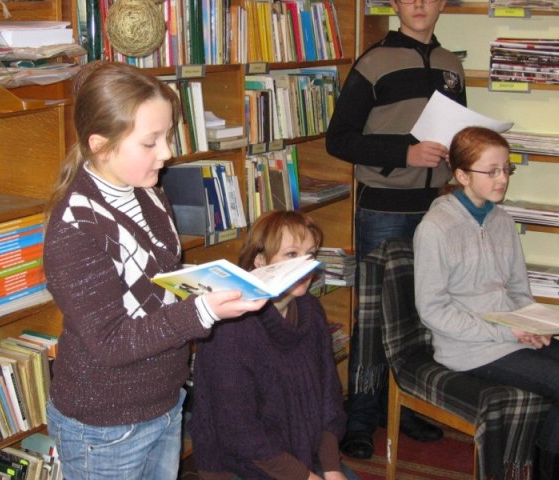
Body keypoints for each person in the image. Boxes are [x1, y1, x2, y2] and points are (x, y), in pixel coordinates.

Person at [43, 61, 266, 480]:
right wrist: (204, 312)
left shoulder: (149, 194)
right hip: (106, 423)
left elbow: (156, 282)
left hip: (163, 400)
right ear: (101, 145)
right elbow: (110, 341)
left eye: (167, 137)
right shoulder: (75, 226)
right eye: (151, 142)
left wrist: (218, 285)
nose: (167, 153)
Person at [325, 0, 466, 458]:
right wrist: (405, 153)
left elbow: (458, 134)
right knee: (374, 317)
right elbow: (339, 139)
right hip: (384, 209)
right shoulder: (374, 62)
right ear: (395, 4)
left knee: (422, 313)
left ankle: (404, 406)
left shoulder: (450, 65)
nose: (419, 5)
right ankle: (362, 419)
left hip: (437, 209)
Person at [414, 126, 559, 479]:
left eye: (507, 170)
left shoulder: (502, 220)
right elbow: (432, 310)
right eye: (492, 171)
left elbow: (518, 289)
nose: (502, 179)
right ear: (462, 175)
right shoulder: (436, 227)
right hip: (468, 348)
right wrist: (509, 333)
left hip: (510, 336)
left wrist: (532, 326)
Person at [190, 210, 359, 480]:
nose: (306, 265)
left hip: (303, 454)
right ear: (260, 261)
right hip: (242, 466)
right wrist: (302, 476)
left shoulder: (310, 309)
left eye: (311, 255)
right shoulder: (230, 327)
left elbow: (330, 394)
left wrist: (331, 467)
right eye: (292, 255)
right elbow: (236, 430)